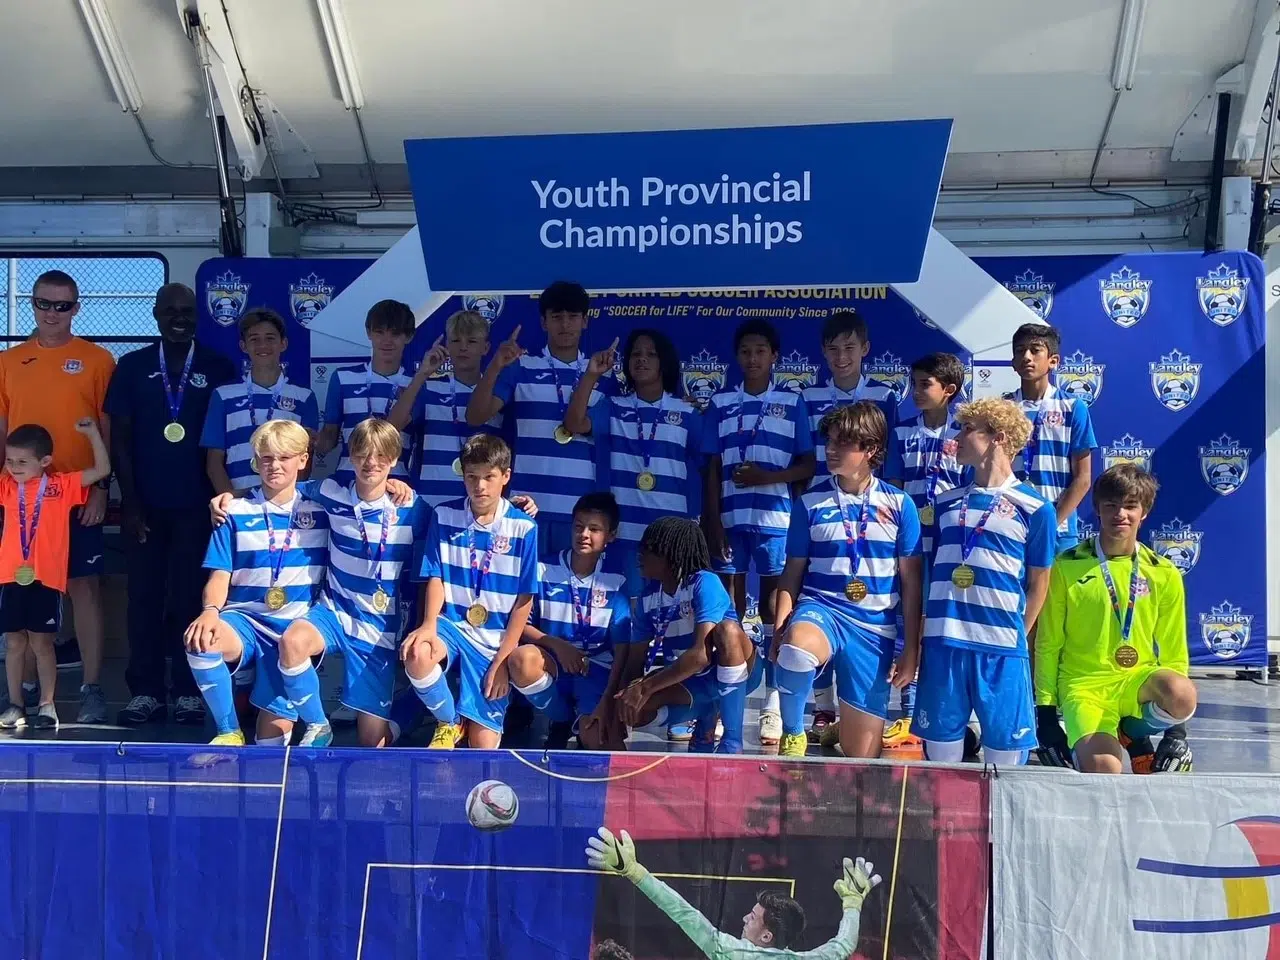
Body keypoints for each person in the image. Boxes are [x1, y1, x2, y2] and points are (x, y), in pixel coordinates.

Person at [105, 282, 238, 726]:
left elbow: (225, 442)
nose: (179, 318)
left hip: (198, 508)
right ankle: (144, 691)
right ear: (156, 315)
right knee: (143, 599)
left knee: (188, 599)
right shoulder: (132, 366)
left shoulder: (219, 367)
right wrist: (130, 502)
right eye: (170, 311)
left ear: (197, 316)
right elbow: (119, 441)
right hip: (145, 507)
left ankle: (186, 691)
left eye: (187, 311)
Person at [910, 398, 1057, 765]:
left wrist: (1016, 634)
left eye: (967, 430)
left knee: (1004, 767)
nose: (956, 438)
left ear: (998, 438)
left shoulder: (1037, 509)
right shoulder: (944, 504)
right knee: (941, 764)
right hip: (945, 643)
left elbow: (1039, 583)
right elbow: (928, 573)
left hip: (1001, 649)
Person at [773, 402, 923, 759]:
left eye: (842, 443)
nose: (830, 449)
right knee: (796, 650)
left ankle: (844, 728)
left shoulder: (900, 505)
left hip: (874, 629)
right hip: (823, 610)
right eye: (829, 441)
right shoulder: (809, 503)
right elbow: (792, 572)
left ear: (870, 449)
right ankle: (793, 733)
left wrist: (911, 650)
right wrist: (780, 628)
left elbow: (912, 584)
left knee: (862, 756)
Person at [267, 418, 427, 748]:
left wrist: (519, 508)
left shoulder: (413, 507)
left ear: (394, 459)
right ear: (350, 457)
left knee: (372, 742)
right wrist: (229, 499)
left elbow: (457, 530)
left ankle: (411, 708)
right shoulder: (330, 492)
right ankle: (318, 724)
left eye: (381, 456)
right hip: (333, 612)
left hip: (377, 627)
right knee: (293, 642)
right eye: (363, 454)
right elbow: (280, 489)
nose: (371, 463)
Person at [0, 269, 115, 723]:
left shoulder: (98, 359)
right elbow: (3, 429)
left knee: (84, 588)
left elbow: (106, 428)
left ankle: (91, 687)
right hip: (22, 502)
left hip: (76, 492)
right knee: (23, 585)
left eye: (62, 305)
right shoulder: (9, 361)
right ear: (31, 304)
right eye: (44, 303)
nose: (52, 313)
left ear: (76, 308)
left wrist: (101, 489)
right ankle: (25, 691)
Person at [1034, 464, 1196, 774]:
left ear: (1144, 512)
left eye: (1130, 506)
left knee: (1182, 694)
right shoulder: (1066, 566)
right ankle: (1106, 743)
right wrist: (1046, 717)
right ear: (1097, 509)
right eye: (1111, 505)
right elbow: (1048, 643)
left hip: (1136, 681)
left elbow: (1174, 650)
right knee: (1105, 769)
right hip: (1084, 687)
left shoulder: (1163, 572)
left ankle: (1132, 732)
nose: (1120, 514)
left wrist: (1177, 733)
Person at [703, 320, 815, 746]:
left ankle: (772, 703)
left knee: (774, 607)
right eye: (746, 351)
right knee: (727, 608)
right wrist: (712, 521)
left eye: (761, 351)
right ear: (737, 356)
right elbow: (712, 467)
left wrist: (769, 477)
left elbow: (807, 465)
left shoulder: (791, 401)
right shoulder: (721, 402)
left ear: (774, 357)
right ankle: (722, 702)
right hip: (730, 519)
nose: (753, 358)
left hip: (775, 519)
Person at [184, 421, 330, 746]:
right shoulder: (232, 511)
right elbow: (219, 574)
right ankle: (228, 731)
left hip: (293, 629)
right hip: (245, 621)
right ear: (255, 461)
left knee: (271, 743)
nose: (274, 465)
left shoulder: (325, 508)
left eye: (284, 457)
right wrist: (210, 611)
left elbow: (367, 490)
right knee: (202, 639)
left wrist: (395, 486)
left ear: (303, 460)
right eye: (266, 458)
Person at [402, 433, 540, 749]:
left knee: (483, 746)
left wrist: (503, 659)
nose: (480, 486)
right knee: (418, 652)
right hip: (452, 626)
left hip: (493, 642)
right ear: (462, 475)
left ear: (505, 476)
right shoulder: (444, 515)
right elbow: (435, 576)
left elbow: (524, 599)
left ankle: (472, 720)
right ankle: (449, 721)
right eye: (472, 477)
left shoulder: (524, 528)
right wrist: (429, 624)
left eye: (489, 477)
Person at [466, 281, 610, 554]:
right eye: (557, 317)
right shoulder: (521, 367)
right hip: (525, 506)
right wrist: (495, 365)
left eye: (572, 316)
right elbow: (475, 416)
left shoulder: (603, 375)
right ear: (544, 322)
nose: (565, 324)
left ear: (585, 321)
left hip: (580, 515)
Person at [586, 826, 882, 959]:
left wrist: (634, 871)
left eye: (753, 917)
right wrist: (853, 903)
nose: (744, 918)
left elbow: (681, 911)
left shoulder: (731, 952)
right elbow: (842, 946)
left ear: (766, 937)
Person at [562, 328, 703, 598]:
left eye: (651, 354)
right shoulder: (613, 406)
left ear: (664, 362)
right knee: (632, 609)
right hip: (626, 532)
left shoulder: (688, 412)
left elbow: (706, 468)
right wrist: (591, 375)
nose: (642, 359)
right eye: (636, 354)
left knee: (669, 609)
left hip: (670, 535)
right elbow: (574, 424)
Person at [879, 352, 971, 748]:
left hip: (950, 544)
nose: (915, 392)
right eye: (913, 384)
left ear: (949, 390)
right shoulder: (901, 432)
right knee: (908, 620)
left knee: (942, 624)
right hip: (911, 543)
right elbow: (893, 489)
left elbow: (970, 486)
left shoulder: (965, 433)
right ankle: (908, 712)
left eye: (924, 385)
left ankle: (941, 711)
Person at [0, 420, 110, 730]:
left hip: (46, 579)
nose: (14, 467)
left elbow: (102, 469)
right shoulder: (7, 486)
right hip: (10, 577)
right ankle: (15, 704)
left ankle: (47, 705)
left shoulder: (61, 486)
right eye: (10, 460)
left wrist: (92, 435)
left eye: (22, 462)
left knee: (42, 644)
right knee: (14, 643)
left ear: (45, 461)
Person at [616, 517, 759, 754]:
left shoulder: (705, 582)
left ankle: (732, 741)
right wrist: (626, 697)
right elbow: (634, 662)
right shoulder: (647, 597)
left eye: (649, 548)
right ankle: (706, 714)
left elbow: (701, 656)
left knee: (727, 631)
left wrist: (646, 687)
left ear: (671, 554)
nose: (640, 554)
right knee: (635, 710)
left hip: (738, 670)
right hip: (689, 678)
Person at [509, 492, 633, 749]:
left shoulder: (618, 578)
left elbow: (622, 650)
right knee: (522, 660)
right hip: (554, 661)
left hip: (596, 670)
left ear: (611, 535)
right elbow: (521, 625)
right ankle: (561, 718)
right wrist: (557, 645)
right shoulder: (543, 569)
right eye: (578, 526)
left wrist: (607, 700)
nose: (584, 534)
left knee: (600, 742)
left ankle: (583, 719)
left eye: (594, 529)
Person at [387, 308, 504, 508]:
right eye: (456, 341)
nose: (463, 347)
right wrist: (422, 374)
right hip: (430, 501)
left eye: (472, 341)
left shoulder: (497, 393)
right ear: (447, 345)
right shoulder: (428, 389)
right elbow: (391, 427)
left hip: (482, 502)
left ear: (485, 348)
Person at [201, 307, 319, 494]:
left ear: (283, 344)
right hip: (238, 498)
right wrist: (231, 500)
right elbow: (214, 461)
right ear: (243, 346)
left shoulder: (304, 397)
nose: (263, 345)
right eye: (254, 339)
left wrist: (290, 501)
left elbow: (305, 459)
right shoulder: (223, 395)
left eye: (270, 338)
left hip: (284, 501)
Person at [1007, 323, 1095, 554]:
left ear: (1053, 361)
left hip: (1058, 529)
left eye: (1035, 350)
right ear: (1013, 363)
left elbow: (1083, 478)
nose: (1027, 357)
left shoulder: (1073, 407)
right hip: (1010, 526)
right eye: (1020, 351)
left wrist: (1051, 523)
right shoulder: (1003, 408)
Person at [316, 299, 415, 486]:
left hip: (396, 485)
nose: (387, 340)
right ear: (369, 333)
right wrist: (311, 441)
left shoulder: (416, 384)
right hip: (347, 481)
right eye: (379, 332)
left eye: (395, 333)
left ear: (408, 336)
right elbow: (329, 437)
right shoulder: (343, 378)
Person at [803, 310, 899, 484]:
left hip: (869, 494)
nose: (841, 357)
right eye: (833, 349)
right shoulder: (808, 397)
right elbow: (804, 456)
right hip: (820, 494)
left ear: (865, 348)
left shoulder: (884, 396)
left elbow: (891, 454)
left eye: (849, 348)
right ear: (824, 351)